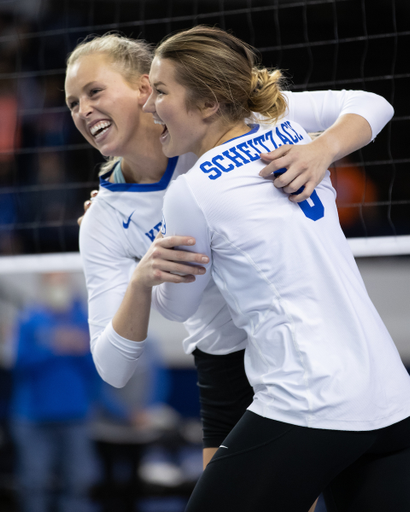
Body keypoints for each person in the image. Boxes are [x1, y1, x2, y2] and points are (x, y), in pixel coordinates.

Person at [65, 33, 396, 512]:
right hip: (227, 363)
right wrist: (140, 281)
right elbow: (112, 368)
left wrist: (322, 150)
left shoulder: (227, 124)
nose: (83, 110)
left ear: (145, 88)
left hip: (306, 349)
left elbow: (370, 104)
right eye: (74, 102)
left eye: (95, 92)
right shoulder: (104, 220)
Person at [10, 272, 98, 512]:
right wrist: (52, 345)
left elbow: (97, 370)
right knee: (34, 483)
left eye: (62, 282)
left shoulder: (84, 321)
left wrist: (80, 348)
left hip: (75, 415)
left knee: (78, 483)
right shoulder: (30, 321)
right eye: (52, 282)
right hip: (33, 417)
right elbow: (19, 364)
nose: (58, 288)